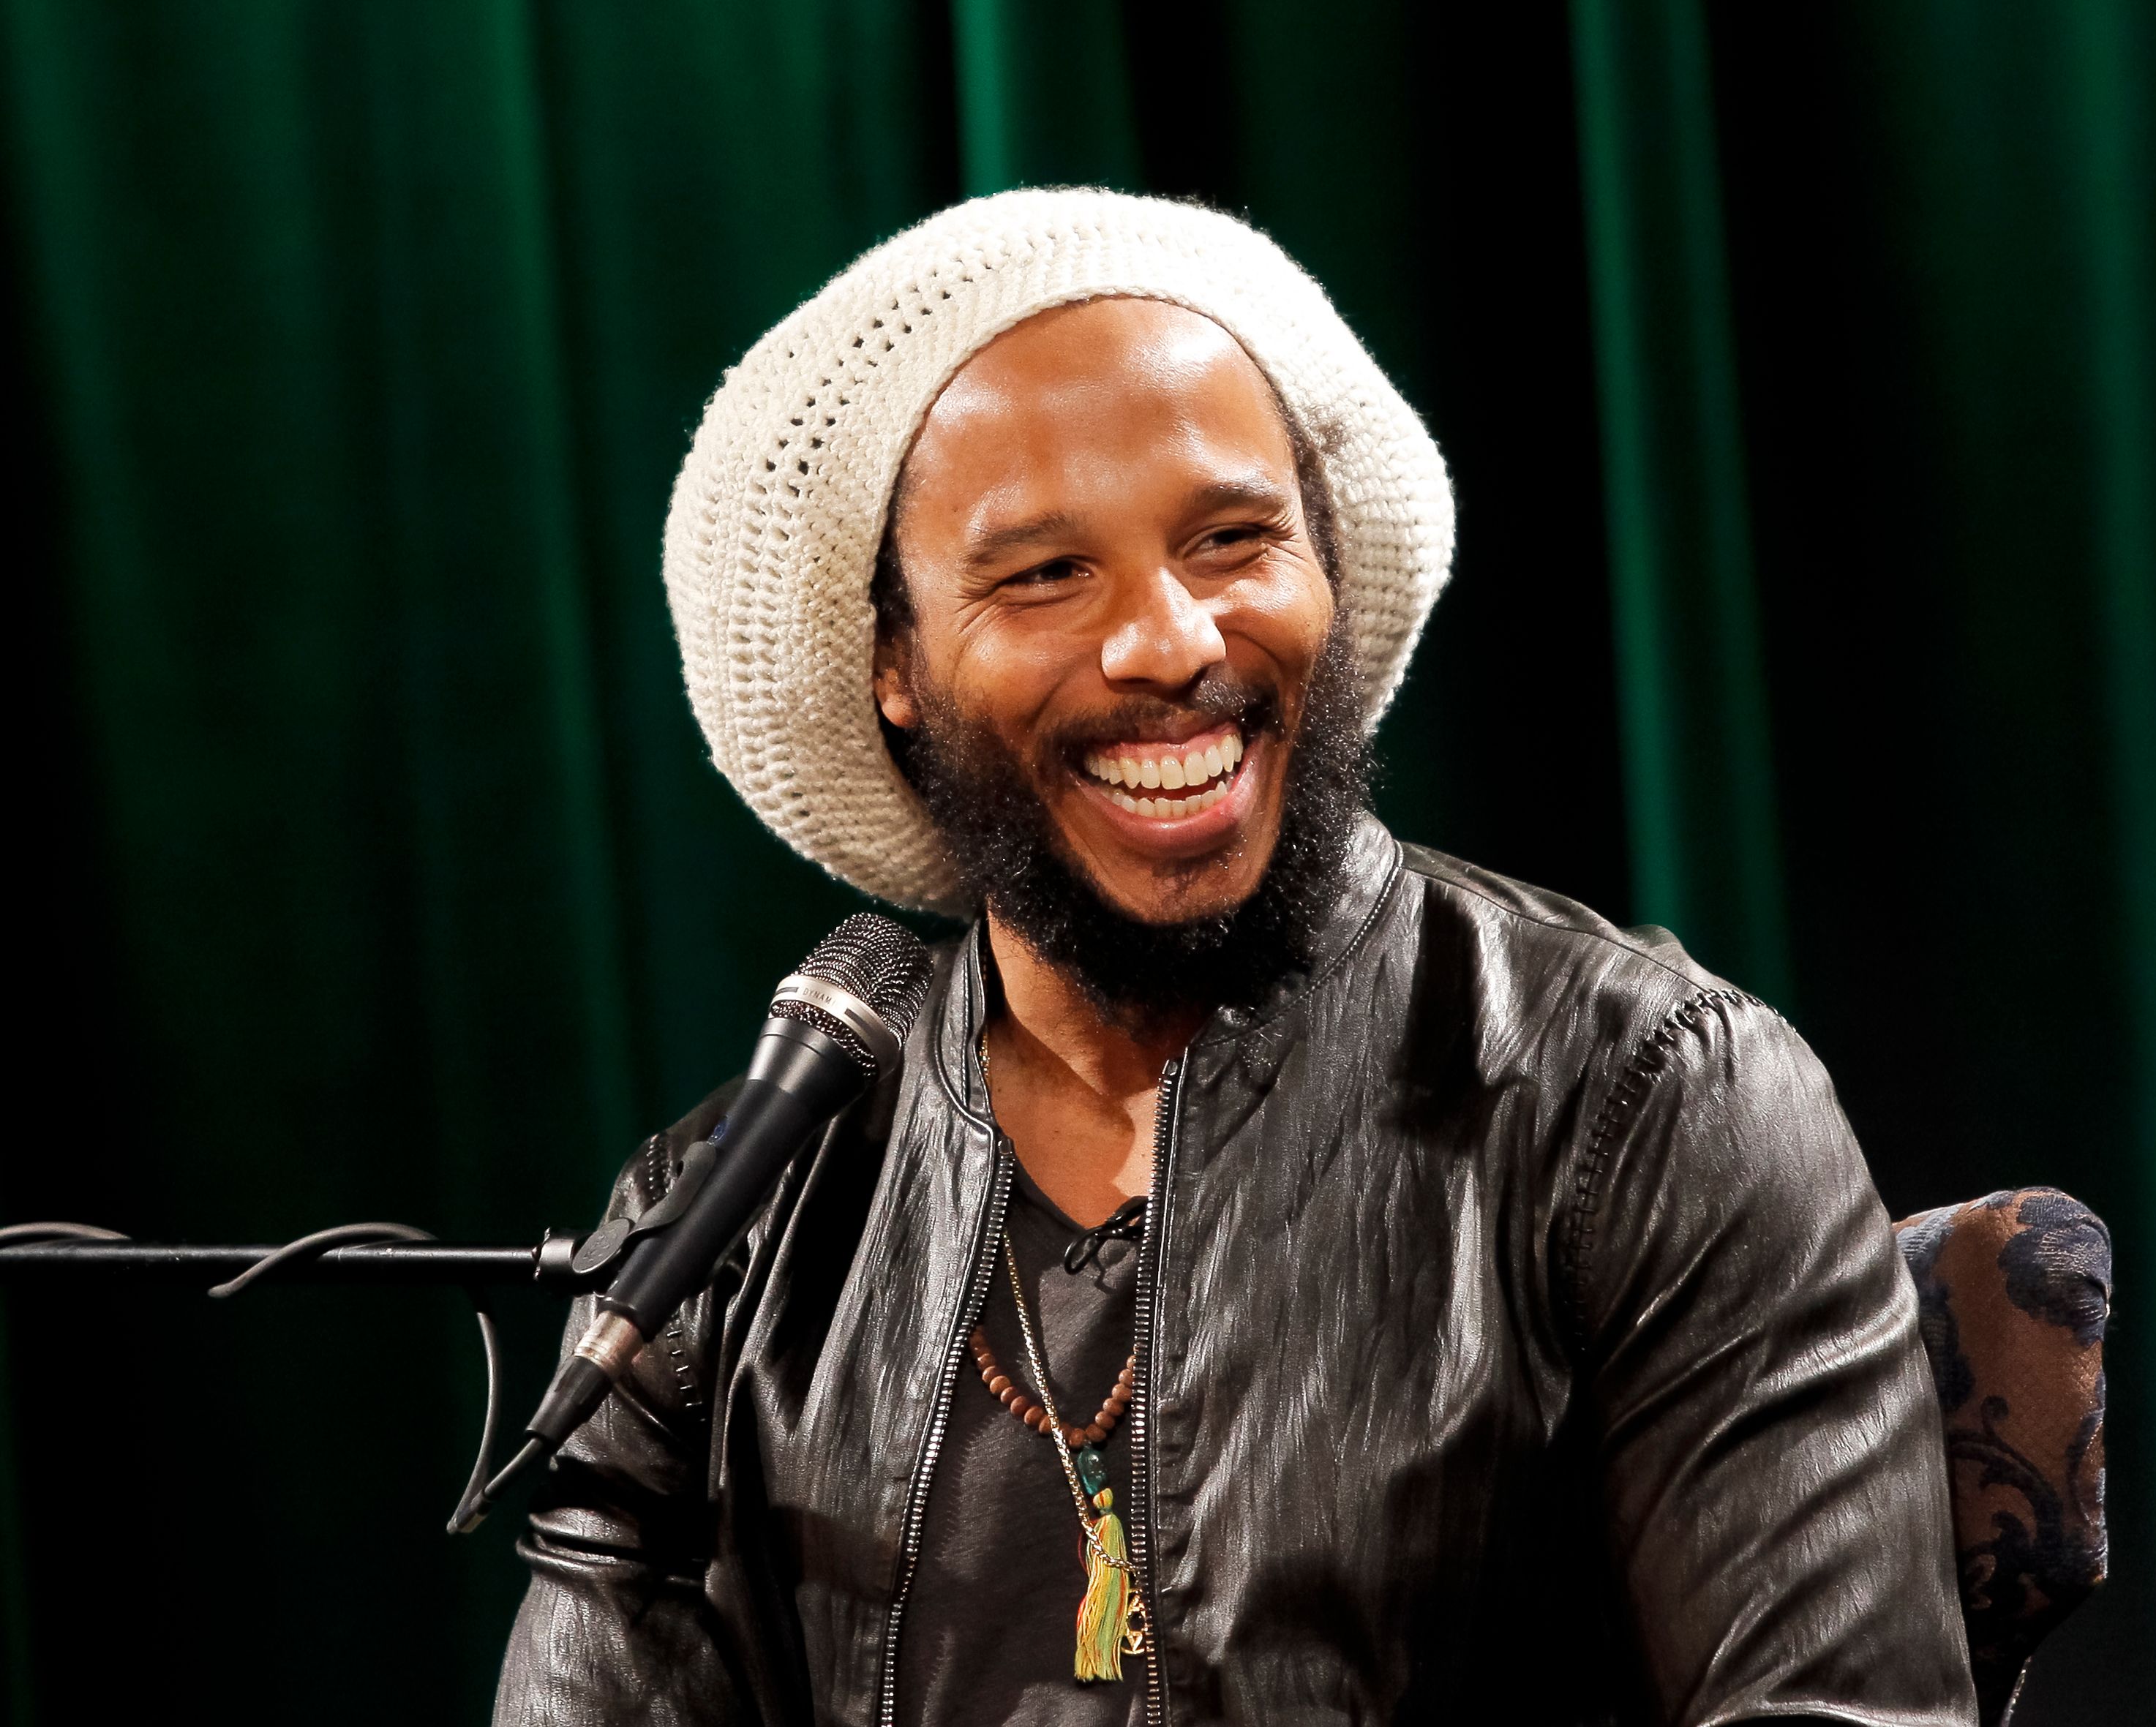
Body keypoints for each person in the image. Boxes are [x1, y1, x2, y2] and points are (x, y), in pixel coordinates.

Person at [495, 189, 1975, 1727]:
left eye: (1234, 538)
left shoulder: (1646, 1099)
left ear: (1326, 568)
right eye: (1044, 574)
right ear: (894, 671)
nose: (1175, 636)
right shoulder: (722, 1235)